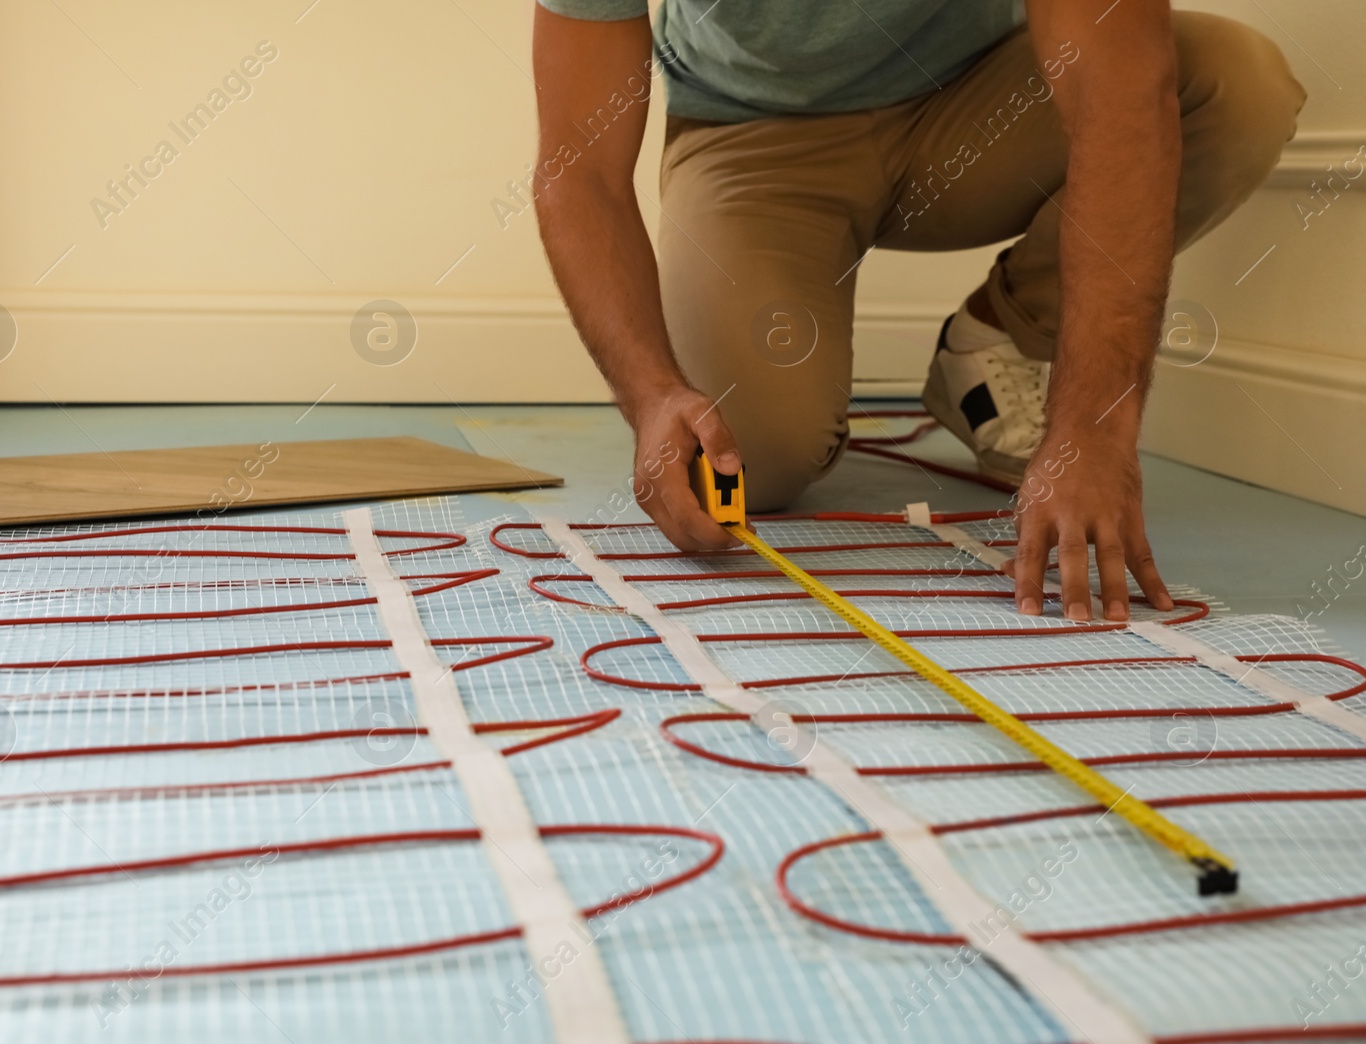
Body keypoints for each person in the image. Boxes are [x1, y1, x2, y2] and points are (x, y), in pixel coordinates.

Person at [530, 0, 1304, 623]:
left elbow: (1122, 99)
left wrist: (1094, 428)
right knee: (747, 453)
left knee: (1236, 87)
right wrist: (652, 391)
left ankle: (1002, 331)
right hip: (753, 134)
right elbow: (579, 170)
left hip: (981, 100)